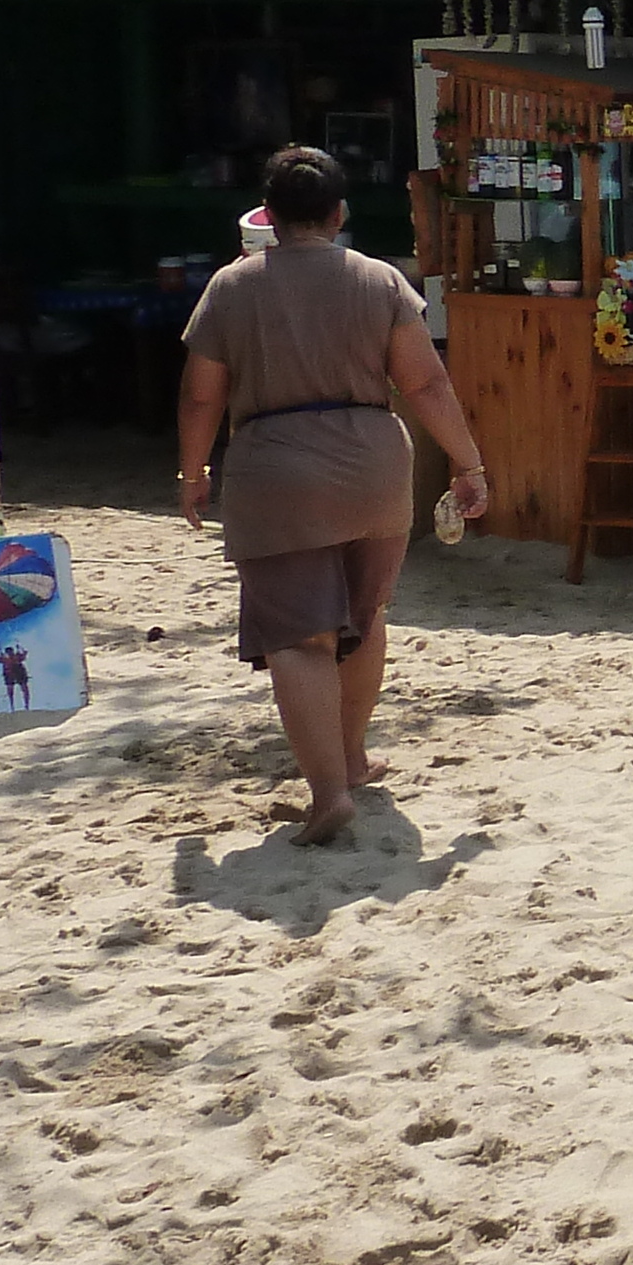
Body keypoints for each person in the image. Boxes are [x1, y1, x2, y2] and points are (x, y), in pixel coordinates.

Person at [176, 145, 491, 846]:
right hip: (375, 468)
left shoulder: (231, 287)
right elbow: (427, 384)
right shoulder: (380, 281)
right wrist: (469, 464)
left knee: (298, 635)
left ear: (270, 216)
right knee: (365, 615)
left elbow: (202, 395)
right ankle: (350, 758)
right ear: (340, 213)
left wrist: (193, 472)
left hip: (276, 471)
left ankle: (327, 794)